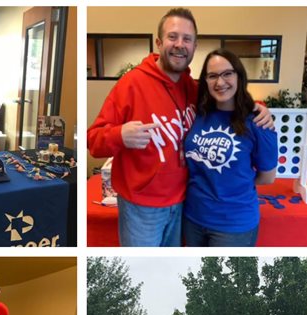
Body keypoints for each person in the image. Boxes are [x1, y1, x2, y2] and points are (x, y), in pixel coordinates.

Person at [87, 8, 272, 247]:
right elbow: (93, 140)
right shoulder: (131, 84)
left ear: (195, 46)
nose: (179, 44)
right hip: (142, 205)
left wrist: (260, 107)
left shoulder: (193, 88)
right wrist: (119, 135)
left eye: (187, 39)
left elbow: (227, 98)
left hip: (184, 203)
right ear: (159, 42)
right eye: (173, 37)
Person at [183, 49, 278, 246]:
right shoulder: (198, 114)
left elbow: (267, 177)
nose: (220, 82)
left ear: (239, 76)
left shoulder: (259, 123)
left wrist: (234, 184)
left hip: (234, 224)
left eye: (227, 73)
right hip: (193, 217)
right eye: (212, 76)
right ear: (205, 81)